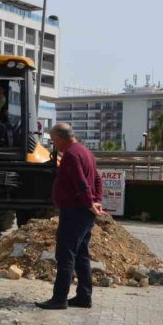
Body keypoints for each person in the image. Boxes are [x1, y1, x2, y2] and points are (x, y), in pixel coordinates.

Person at [36, 123, 104, 310]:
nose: (53, 144)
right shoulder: (85, 152)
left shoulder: (71, 155)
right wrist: (96, 201)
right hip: (83, 213)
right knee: (81, 254)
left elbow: (81, 182)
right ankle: (84, 296)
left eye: (53, 140)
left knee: (65, 254)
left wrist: (90, 202)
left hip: (74, 211)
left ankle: (59, 299)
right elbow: (97, 179)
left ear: (60, 138)